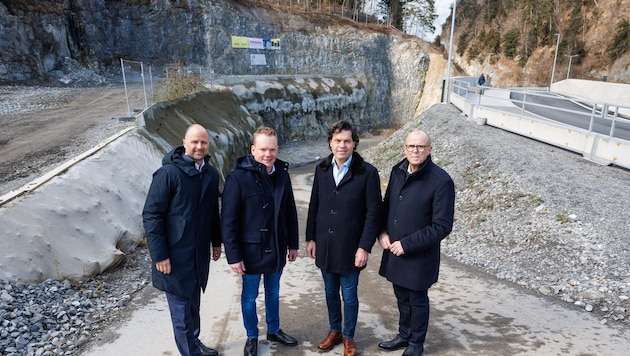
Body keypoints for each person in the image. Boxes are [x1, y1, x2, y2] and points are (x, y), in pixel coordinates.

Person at [142, 124, 222, 356]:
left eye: (203, 142)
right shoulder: (168, 174)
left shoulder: (210, 173)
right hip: (174, 258)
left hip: (197, 256)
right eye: (194, 142)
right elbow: (151, 214)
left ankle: (194, 344)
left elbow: (212, 212)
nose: (199, 146)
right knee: (180, 315)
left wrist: (216, 242)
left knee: (193, 308)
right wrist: (160, 255)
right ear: (184, 142)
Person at [221, 126, 300, 356]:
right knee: (249, 296)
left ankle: (274, 329)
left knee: (273, 292)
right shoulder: (237, 178)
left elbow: (290, 212)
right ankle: (252, 335)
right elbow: (228, 221)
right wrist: (233, 256)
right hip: (250, 251)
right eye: (263, 149)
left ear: (277, 149)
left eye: (272, 149)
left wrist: (293, 244)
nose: (268, 154)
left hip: (276, 246)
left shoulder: (282, 174)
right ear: (253, 149)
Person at [306, 120, 382, 356]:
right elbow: (314, 205)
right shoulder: (322, 169)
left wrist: (364, 247)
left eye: (347, 141)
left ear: (354, 144)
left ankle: (348, 336)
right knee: (330, 292)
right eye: (337, 140)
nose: (342, 145)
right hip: (325, 245)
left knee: (349, 295)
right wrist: (311, 238)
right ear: (330, 142)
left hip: (351, 247)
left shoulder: (367, 173)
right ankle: (334, 331)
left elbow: (374, 213)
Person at [377, 130, 455, 356]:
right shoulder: (397, 171)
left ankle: (416, 344)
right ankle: (403, 335)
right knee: (401, 295)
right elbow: (387, 204)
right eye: (411, 146)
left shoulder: (441, 181)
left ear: (430, 150)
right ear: (404, 148)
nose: (415, 151)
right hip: (394, 250)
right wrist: (382, 232)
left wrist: (407, 245)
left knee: (417, 300)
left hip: (419, 255)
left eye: (421, 147)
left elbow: (442, 226)